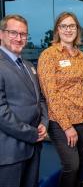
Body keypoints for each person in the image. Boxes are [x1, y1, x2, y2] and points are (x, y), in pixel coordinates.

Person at [37, 12, 83, 187]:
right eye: (64, 26)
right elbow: (50, 93)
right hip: (61, 122)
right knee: (71, 165)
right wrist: (67, 126)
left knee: (80, 163)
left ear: (77, 29)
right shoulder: (49, 55)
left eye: (72, 26)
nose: (68, 30)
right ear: (57, 30)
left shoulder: (81, 56)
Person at [0, 14, 48, 187]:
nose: (19, 38)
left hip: (33, 148)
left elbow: (39, 98)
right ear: (1, 34)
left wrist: (44, 122)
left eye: (23, 34)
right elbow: (1, 111)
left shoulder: (28, 65)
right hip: (9, 152)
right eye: (13, 33)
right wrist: (32, 133)